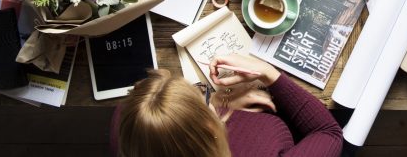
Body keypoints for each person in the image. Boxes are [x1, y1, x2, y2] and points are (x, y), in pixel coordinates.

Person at [113, 54, 343, 156]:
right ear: (212, 128)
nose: (204, 90)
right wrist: (268, 73)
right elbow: (329, 133)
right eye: (201, 94)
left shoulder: (130, 122)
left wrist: (218, 101)